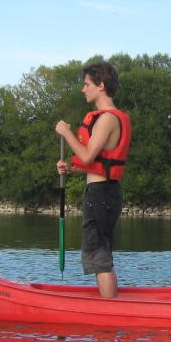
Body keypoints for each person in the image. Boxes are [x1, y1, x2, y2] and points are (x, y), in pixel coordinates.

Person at [55, 62, 131, 298]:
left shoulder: (107, 119)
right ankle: (112, 304)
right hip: (103, 191)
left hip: (101, 194)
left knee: (99, 255)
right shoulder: (108, 118)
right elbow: (94, 162)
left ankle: (108, 313)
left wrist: (66, 133)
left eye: (87, 84)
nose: (83, 89)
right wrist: (71, 168)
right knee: (102, 252)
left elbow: (87, 155)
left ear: (101, 85)